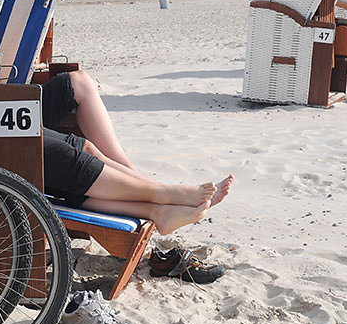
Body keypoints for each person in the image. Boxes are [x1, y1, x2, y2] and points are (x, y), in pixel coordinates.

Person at [40, 70, 233, 235]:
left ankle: (146, 189)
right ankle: (160, 198)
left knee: (78, 82)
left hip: (11, 103)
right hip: (10, 133)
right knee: (71, 155)